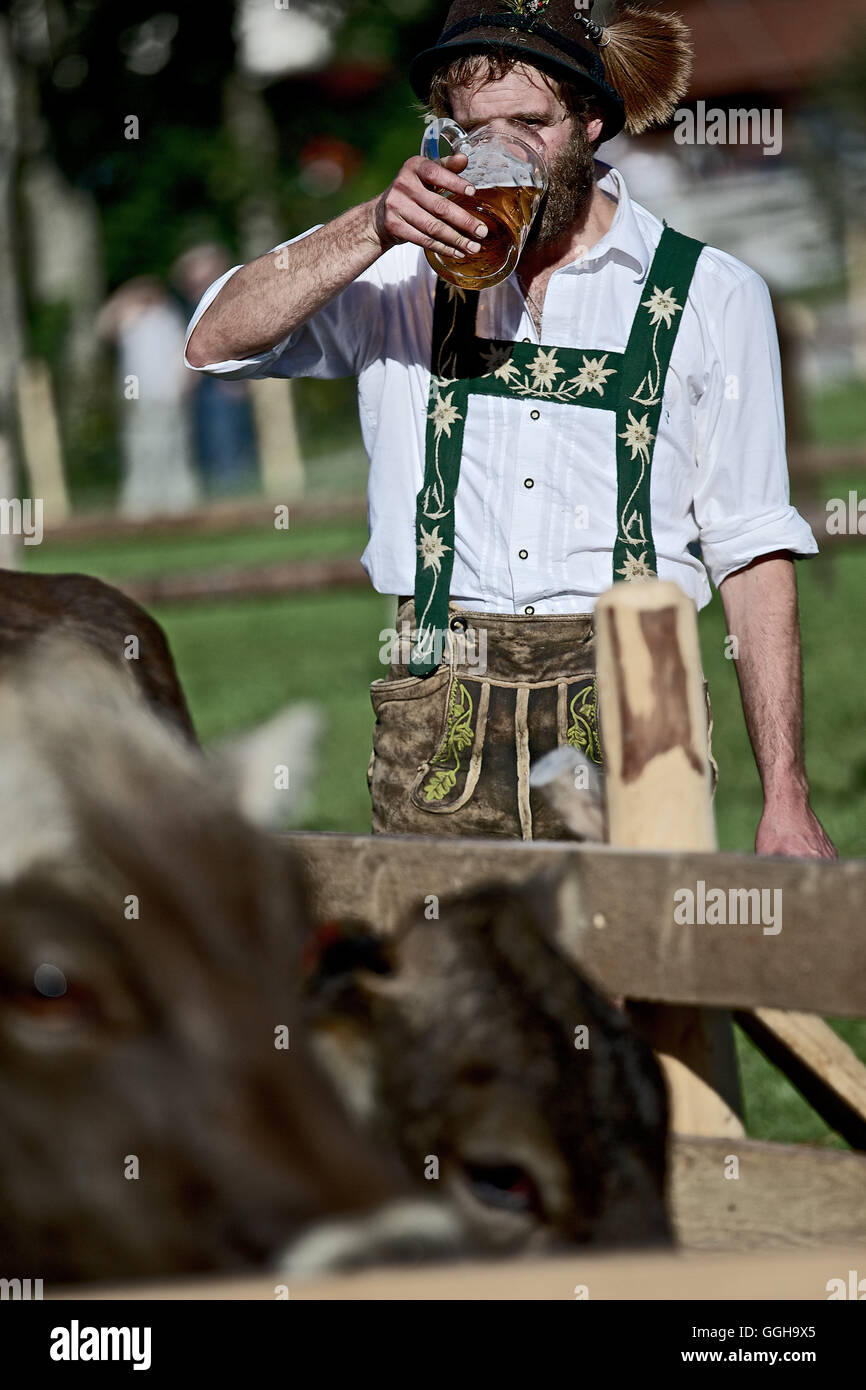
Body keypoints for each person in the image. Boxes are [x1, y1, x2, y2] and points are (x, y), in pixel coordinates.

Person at [184, 0, 835, 859]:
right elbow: (214, 343)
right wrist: (373, 223)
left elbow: (751, 551)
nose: (507, 153)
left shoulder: (714, 294)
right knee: (447, 982)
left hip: (638, 696)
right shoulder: (402, 271)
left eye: (532, 123)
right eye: (476, 130)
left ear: (592, 120)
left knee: (636, 978)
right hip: (438, 697)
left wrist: (785, 797)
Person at [98, 277, 201, 518]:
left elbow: (185, 356)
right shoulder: (131, 319)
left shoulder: (171, 318)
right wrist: (127, 294)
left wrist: (184, 386)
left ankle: (180, 503)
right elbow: (104, 325)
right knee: (142, 449)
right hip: (140, 398)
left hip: (169, 395)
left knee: (174, 447)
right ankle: (141, 505)